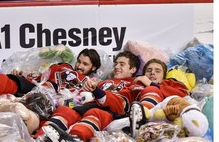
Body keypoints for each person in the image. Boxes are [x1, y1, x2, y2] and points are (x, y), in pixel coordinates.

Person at [36, 57, 189, 141]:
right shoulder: (123, 84)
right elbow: (81, 99)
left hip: (123, 111)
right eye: (149, 70)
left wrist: (151, 83)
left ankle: (145, 118)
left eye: (157, 71)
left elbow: (183, 95)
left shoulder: (164, 84)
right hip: (102, 104)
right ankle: (41, 137)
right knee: (65, 110)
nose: (152, 73)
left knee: (97, 113)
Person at [0, 48, 101, 97]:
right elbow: (41, 76)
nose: (79, 66)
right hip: (38, 88)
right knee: (11, 81)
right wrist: (26, 75)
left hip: (57, 100)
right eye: (79, 61)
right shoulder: (64, 65)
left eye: (85, 64)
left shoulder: (93, 84)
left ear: (93, 68)